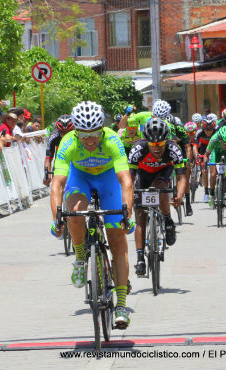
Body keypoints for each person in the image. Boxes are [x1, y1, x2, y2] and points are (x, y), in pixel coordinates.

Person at [50, 101, 134, 328]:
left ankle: (122, 305)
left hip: (108, 180)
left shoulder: (113, 140)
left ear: (102, 129)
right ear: (76, 132)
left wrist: (127, 212)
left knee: (117, 240)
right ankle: (79, 256)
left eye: (95, 134)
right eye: (84, 135)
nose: (89, 140)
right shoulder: (68, 143)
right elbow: (57, 184)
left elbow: (126, 180)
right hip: (81, 179)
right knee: (74, 212)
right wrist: (57, 217)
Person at [128, 118, 186, 275]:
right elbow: (129, 179)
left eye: (160, 144)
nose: (157, 148)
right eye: (153, 145)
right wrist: (128, 198)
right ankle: (140, 258)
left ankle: (167, 220)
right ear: (146, 141)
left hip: (163, 172)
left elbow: (182, 177)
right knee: (139, 215)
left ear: (166, 140)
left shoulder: (174, 149)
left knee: (159, 188)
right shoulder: (138, 149)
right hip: (143, 174)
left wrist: (179, 196)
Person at [43, 114, 74, 186]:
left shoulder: (79, 135)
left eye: (68, 132)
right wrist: (47, 175)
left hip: (77, 160)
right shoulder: (54, 136)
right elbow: (48, 158)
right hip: (61, 162)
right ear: (58, 131)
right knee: (57, 186)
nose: (66, 135)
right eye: (63, 133)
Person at [193, 116, 218, 202]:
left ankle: (213, 190)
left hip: (214, 149)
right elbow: (195, 147)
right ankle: (206, 192)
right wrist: (197, 157)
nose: (208, 132)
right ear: (203, 128)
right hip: (203, 150)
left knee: (213, 173)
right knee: (204, 171)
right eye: (206, 130)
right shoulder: (199, 132)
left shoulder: (217, 131)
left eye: (210, 130)